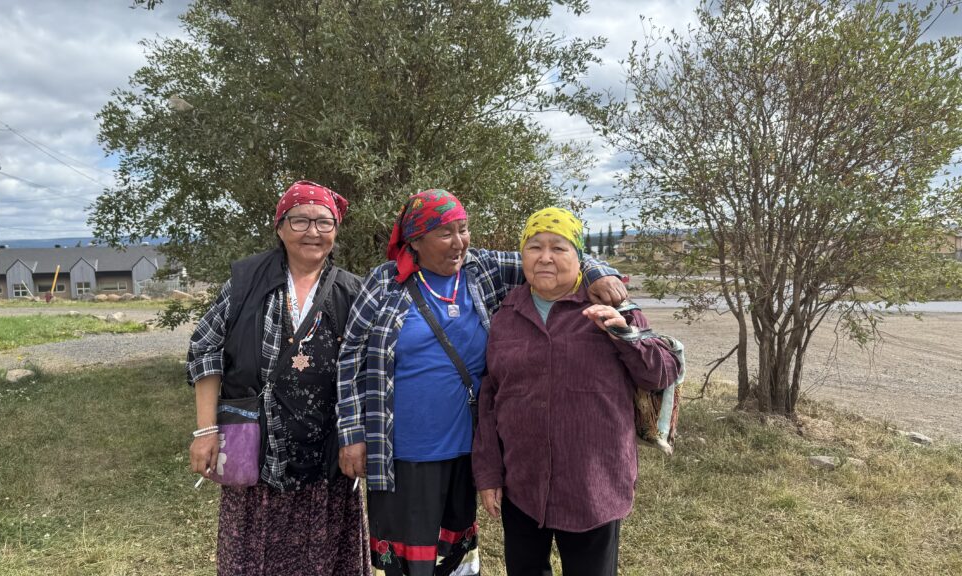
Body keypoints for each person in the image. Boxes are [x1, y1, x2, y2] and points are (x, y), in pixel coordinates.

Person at [336, 190, 628, 576]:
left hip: (467, 447)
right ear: (416, 240)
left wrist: (597, 272)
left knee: (456, 555)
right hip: (404, 449)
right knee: (409, 561)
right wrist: (352, 432)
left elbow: (556, 254)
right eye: (445, 233)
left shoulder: (482, 267)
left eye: (464, 229)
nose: (459, 242)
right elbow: (351, 355)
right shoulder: (385, 282)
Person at [471, 207, 680, 576]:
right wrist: (488, 474)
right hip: (523, 486)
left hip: (592, 486)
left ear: (579, 256)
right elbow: (490, 399)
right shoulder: (506, 314)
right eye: (534, 247)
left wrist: (624, 334)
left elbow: (663, 372)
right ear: (522, 256)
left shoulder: (611, 306)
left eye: (559, 248)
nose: (545, 257)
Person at [186, 181, 369, 576]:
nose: (313, 232)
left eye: (324, 222)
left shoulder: (353, 291)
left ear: (335, 231)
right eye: (300, 220)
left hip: (326, 462)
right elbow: (205, 348)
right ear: (280, 227)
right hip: (257, 455)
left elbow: (367, 371)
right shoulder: (245, 283)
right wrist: (205, 431)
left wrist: (357, 436)